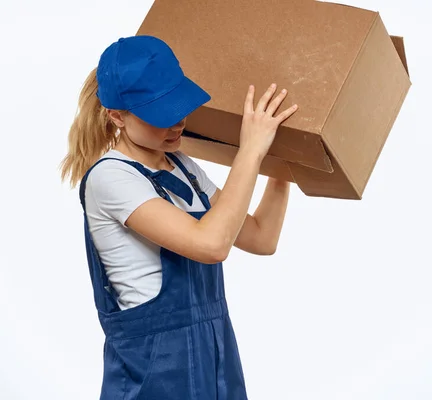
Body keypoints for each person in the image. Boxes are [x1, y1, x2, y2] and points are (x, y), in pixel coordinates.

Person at [60, 35, 298, 400]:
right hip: (156, 369)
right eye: (160, 113)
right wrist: (250, 150)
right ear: (116, 116)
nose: (177, 122)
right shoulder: (111, 177)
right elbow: (212, 244)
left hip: (216, 354)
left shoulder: (184, 168)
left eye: (179, 106)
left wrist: (282, 166)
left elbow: (260, 237)